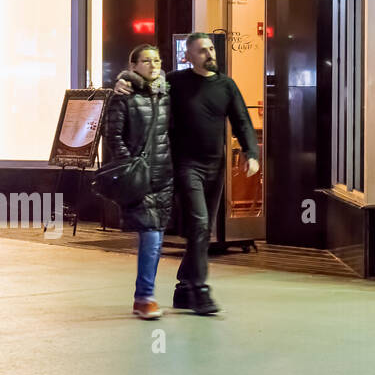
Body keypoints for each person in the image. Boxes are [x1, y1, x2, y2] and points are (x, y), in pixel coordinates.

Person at [117, 33, 259, 315]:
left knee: (203, 231)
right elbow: (145, 83)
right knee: (200, 223)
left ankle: (184, 287)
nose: (210, 54)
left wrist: (250, 152)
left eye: (211, 49)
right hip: (186, 165)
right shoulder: (176, 83)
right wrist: (123, 80)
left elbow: (241, 119)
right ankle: (199, 289)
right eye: (202, 50)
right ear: (189, 56)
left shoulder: (226, 85)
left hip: (215, 166)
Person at [104, 44, 173, 320]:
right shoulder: (123, 96)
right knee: (152, 235)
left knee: (156, 236)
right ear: (133, 66)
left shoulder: (167, 93)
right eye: (146, 60)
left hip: (164, 176)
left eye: (156, 60)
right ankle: (145, 297)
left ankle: (143, 297)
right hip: (139, 177)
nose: (153, 65)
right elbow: (113, 136)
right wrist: (130, 163)